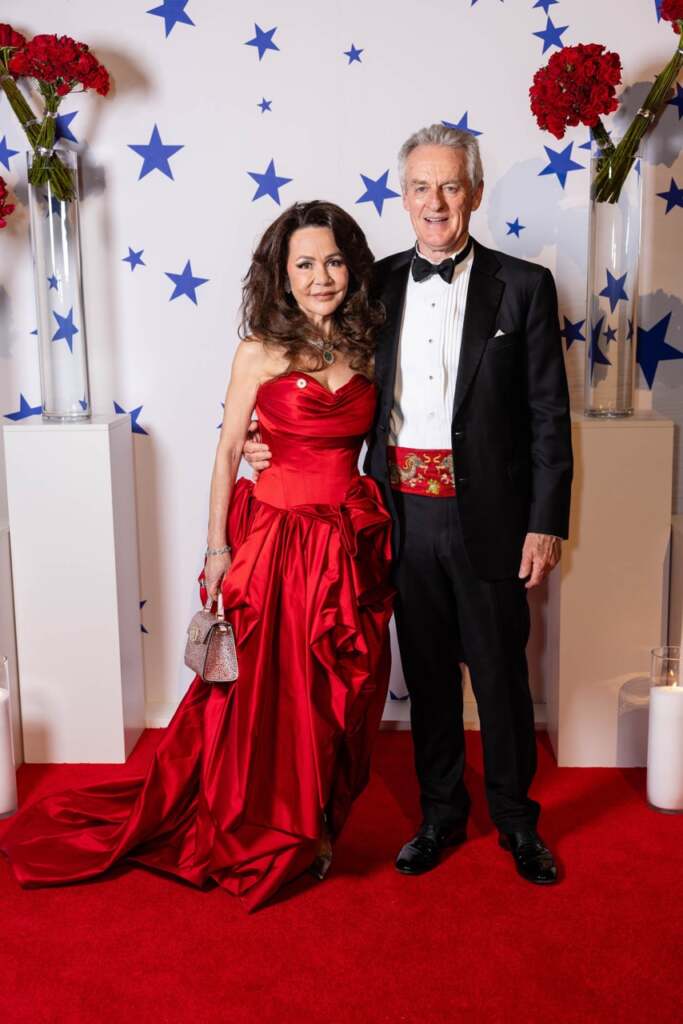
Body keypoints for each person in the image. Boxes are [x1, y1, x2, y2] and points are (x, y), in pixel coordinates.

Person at [0, 201, 394, 912]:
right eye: (304, 263)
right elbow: (227, 449)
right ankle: (263, 824)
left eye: (333, 261)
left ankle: (317, 824)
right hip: (275, 543)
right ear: (281, 275)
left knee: (333, 696)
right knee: (266, 699)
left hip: (344, 550)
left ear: (352, 267)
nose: (321, 277)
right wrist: (217, 547)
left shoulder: (370, 348)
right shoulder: (259, 351)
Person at [245, 124, 573, 885]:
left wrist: (545, 522)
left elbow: (548, 416)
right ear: (402, 196)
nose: (436, 202)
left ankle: (517, 822)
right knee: (425, 675)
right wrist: (263, 438)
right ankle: (440, 816)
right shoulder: (376, 286)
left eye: (450, 186)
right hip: (397, 515)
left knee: (500, 676)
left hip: (491, 516)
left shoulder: (523, 286)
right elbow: (306, 368)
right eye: (421, 187)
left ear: (474, 193)